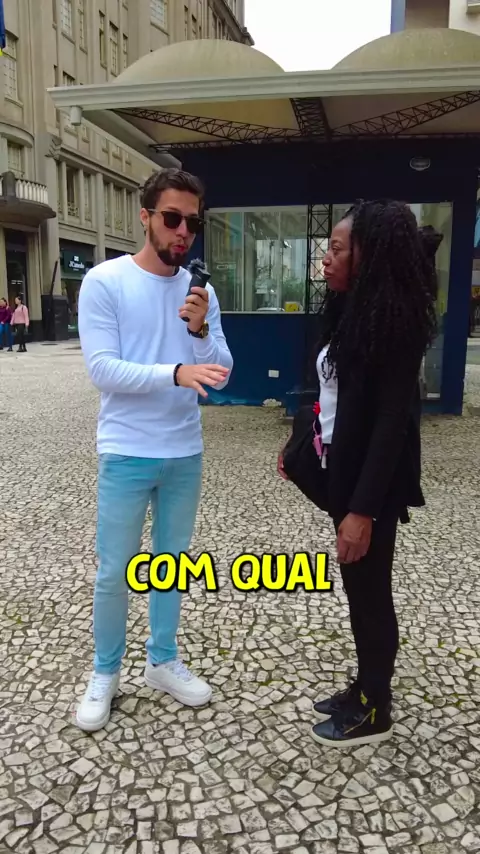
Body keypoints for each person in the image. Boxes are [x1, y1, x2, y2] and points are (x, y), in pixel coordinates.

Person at [279, 200, 441, 748]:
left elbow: (392, 425)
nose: (325, 259)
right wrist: (301, 447)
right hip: (343, 475)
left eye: (337, 249)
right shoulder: (356, 311)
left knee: (371, 594)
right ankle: (364, 686)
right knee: (358, 589)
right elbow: (333, 398)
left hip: (370, 489)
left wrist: (362, 512)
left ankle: (375, 707)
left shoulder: (397, 325)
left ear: (368, 256)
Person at [76, 168, 233, 732]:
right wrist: (174, 371)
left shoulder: (200, 292)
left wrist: (200, 332)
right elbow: (102, 369)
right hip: (126, 449)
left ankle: (162, 660)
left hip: (184, 451)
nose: (183, 231)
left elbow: (222, 368)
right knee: (114, 571)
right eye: (172, 218)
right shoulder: (105, 281)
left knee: (171, 566)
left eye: (193, 222)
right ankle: (105, 672)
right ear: (145, 217)